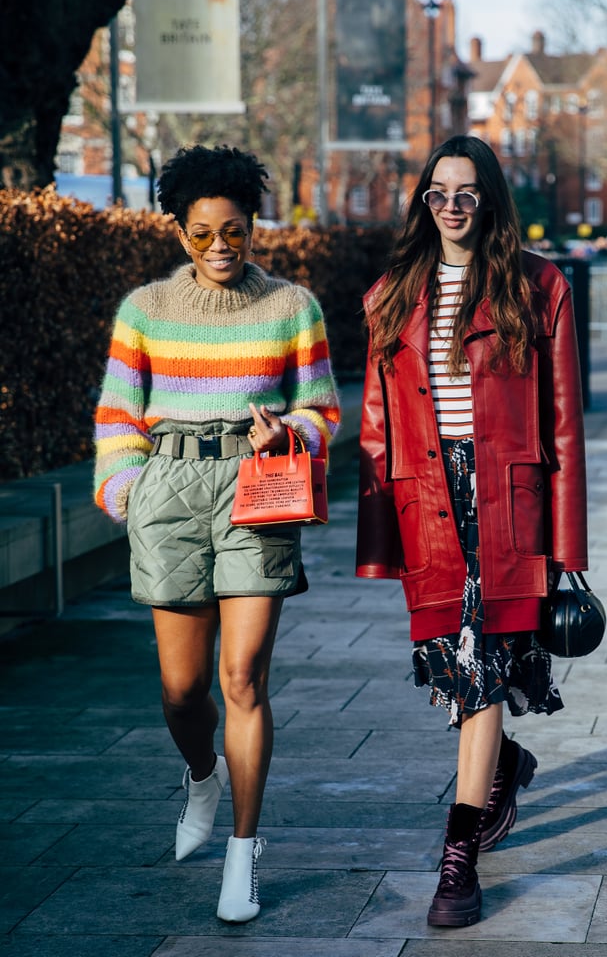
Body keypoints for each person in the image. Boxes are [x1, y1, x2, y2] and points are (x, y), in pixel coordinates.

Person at [94, 144, 340, 922]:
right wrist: (130, 492)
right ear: (180, 233)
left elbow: (323, 407)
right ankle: (201, 771)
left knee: (242, 680)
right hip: (168, 491)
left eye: (233, 231)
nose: (220, 248)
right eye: (203, 234)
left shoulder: (292, 306)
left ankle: (243, 850)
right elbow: (116, 419)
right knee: (180, 691)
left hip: (256, 489)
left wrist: (290, 433)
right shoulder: (145, 311)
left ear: (253, 225)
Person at [355, 135, 588, 928]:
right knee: (460, 667)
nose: (450, 207)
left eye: (465, 194)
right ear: (423, 202)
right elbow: (376, 427)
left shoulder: (536, 284)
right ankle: (501, 772)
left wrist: (567, 543)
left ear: (487, 201)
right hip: (428, 498)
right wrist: (379, 539)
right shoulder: (392, 293)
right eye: (436, 194)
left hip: (507, 494)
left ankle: (457, 858)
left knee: (479, 662)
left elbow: (563, 420)